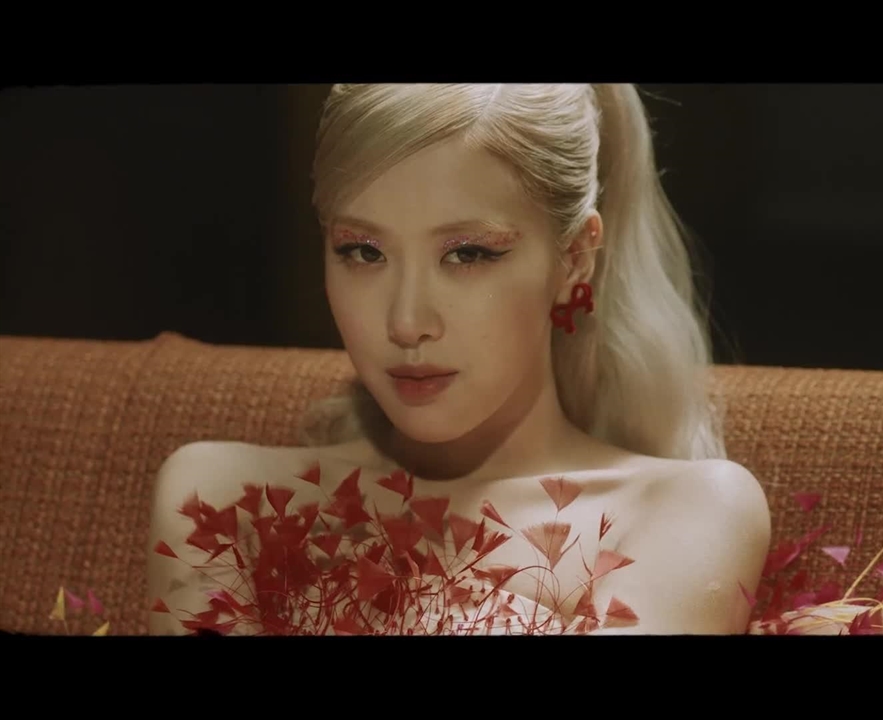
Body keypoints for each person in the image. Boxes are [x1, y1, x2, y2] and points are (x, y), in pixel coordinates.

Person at [146, 83, 772, 636]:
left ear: (575, 259)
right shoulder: (224, 498)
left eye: (468, 254)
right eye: (363, 251)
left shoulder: (686, 511)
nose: (406, 322)